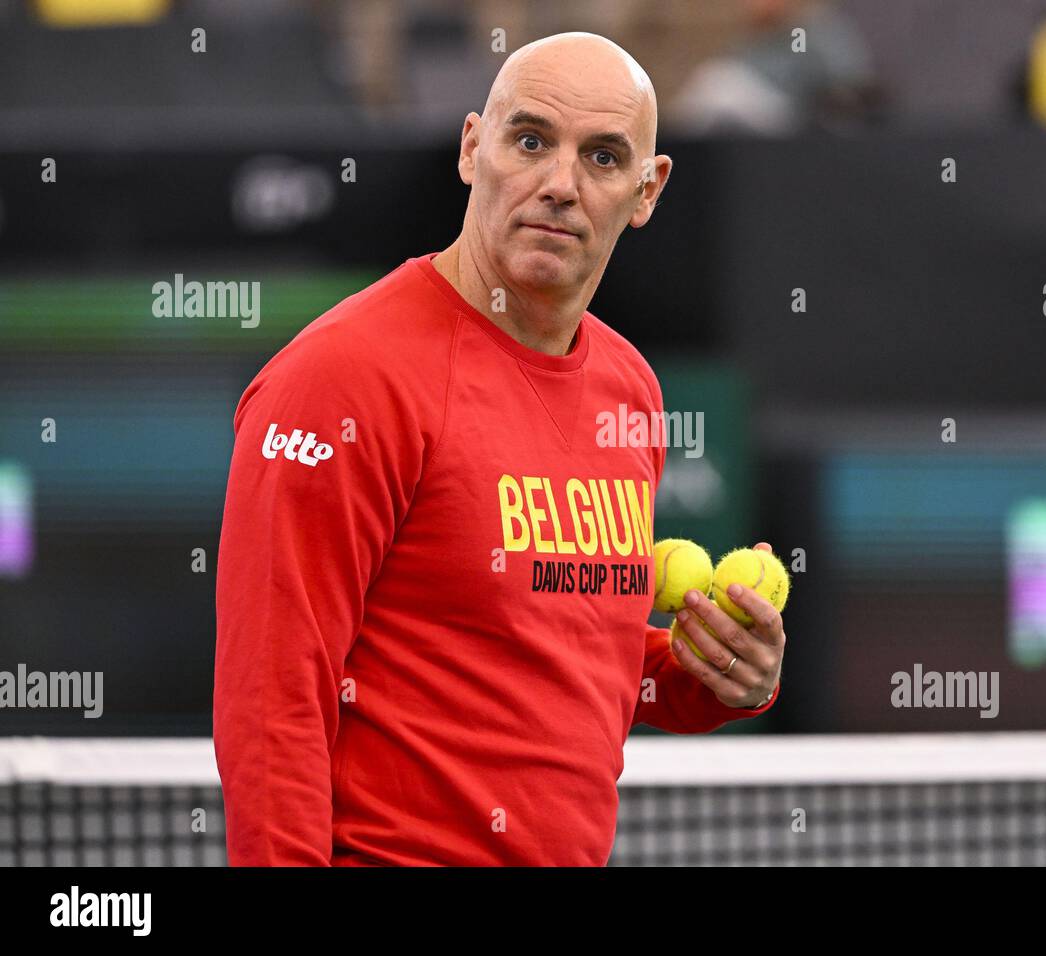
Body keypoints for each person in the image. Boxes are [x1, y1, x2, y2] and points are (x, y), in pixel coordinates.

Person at [214, 31, 785, 866]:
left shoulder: (631, 390)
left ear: (647, 190)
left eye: (600, 157)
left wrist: (715, 676)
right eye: (529, 141)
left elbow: (568, 660)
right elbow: (272, 700)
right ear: (472, 147)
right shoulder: (339, 379)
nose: (559, 184)